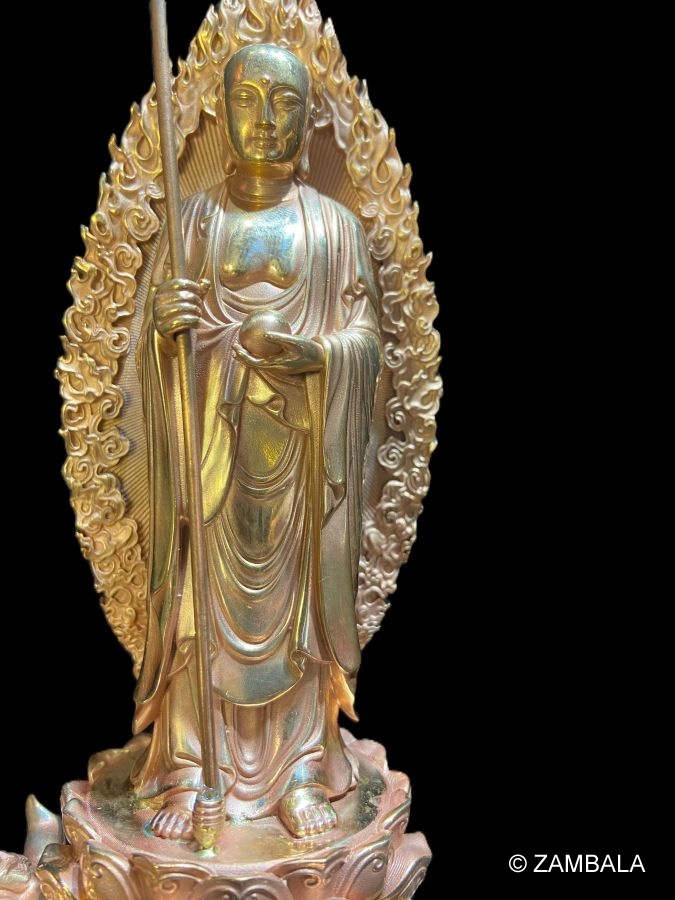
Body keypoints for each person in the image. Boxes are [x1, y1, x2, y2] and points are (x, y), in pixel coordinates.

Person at [130, 43, 382, 841]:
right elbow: (146, 371)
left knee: (298, 613)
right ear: (223, 113)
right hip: (210, 454)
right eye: (248, 100)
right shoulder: (194, 220)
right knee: (198, 613)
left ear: (309, 121)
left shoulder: (334, 229)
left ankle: (301, 769)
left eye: (286, 103)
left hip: (303, 462)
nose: (267, 120)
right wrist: (166, 336)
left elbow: (366, 344)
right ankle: (189, 772)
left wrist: (320, 357)